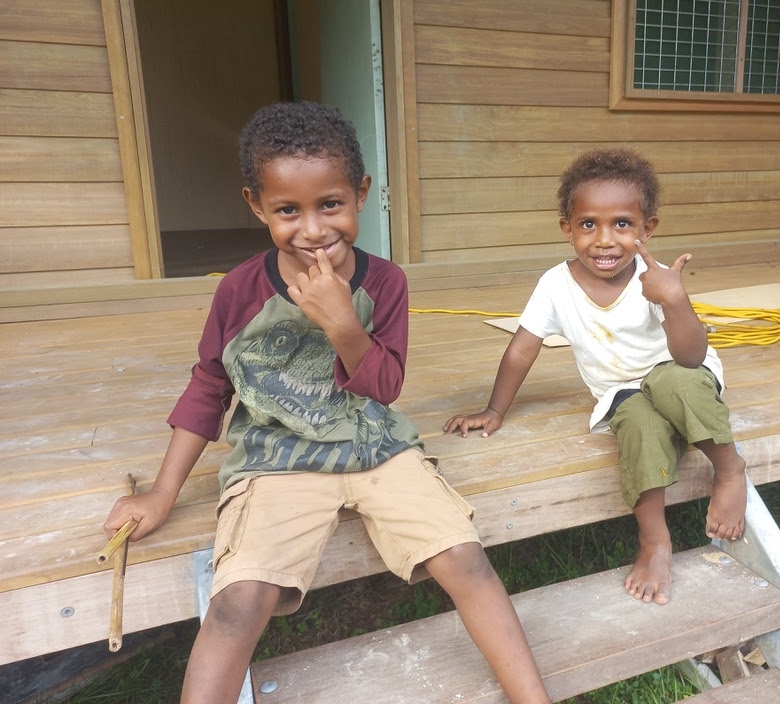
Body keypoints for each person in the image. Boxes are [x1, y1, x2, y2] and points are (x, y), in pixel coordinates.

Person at [104, 101, 551, 704]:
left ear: (361, 193)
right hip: (276, 459)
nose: (313, 230)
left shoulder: (385, 282)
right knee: (237, 602)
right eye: (289, 210)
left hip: (375, 447)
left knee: (466, 561)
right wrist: (162, 492)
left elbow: (384, 386)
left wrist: (344, 323)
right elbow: (210, 385)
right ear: (257, 206)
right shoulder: (239, 290)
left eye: (331, 204)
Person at [444, 147, 747, 607]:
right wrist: (495, 409)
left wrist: (674, 299)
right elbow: (523, 347)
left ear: (648, 228)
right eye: (588, 224)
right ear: (567, 229)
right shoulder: (555, 284)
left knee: (669, 382)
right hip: (623, 392)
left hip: (683, 375)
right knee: (639, 424)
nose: (604, 240)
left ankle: (729, 470)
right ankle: (654, 541)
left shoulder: (653, 279)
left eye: (622, 224)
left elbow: (691, 356)